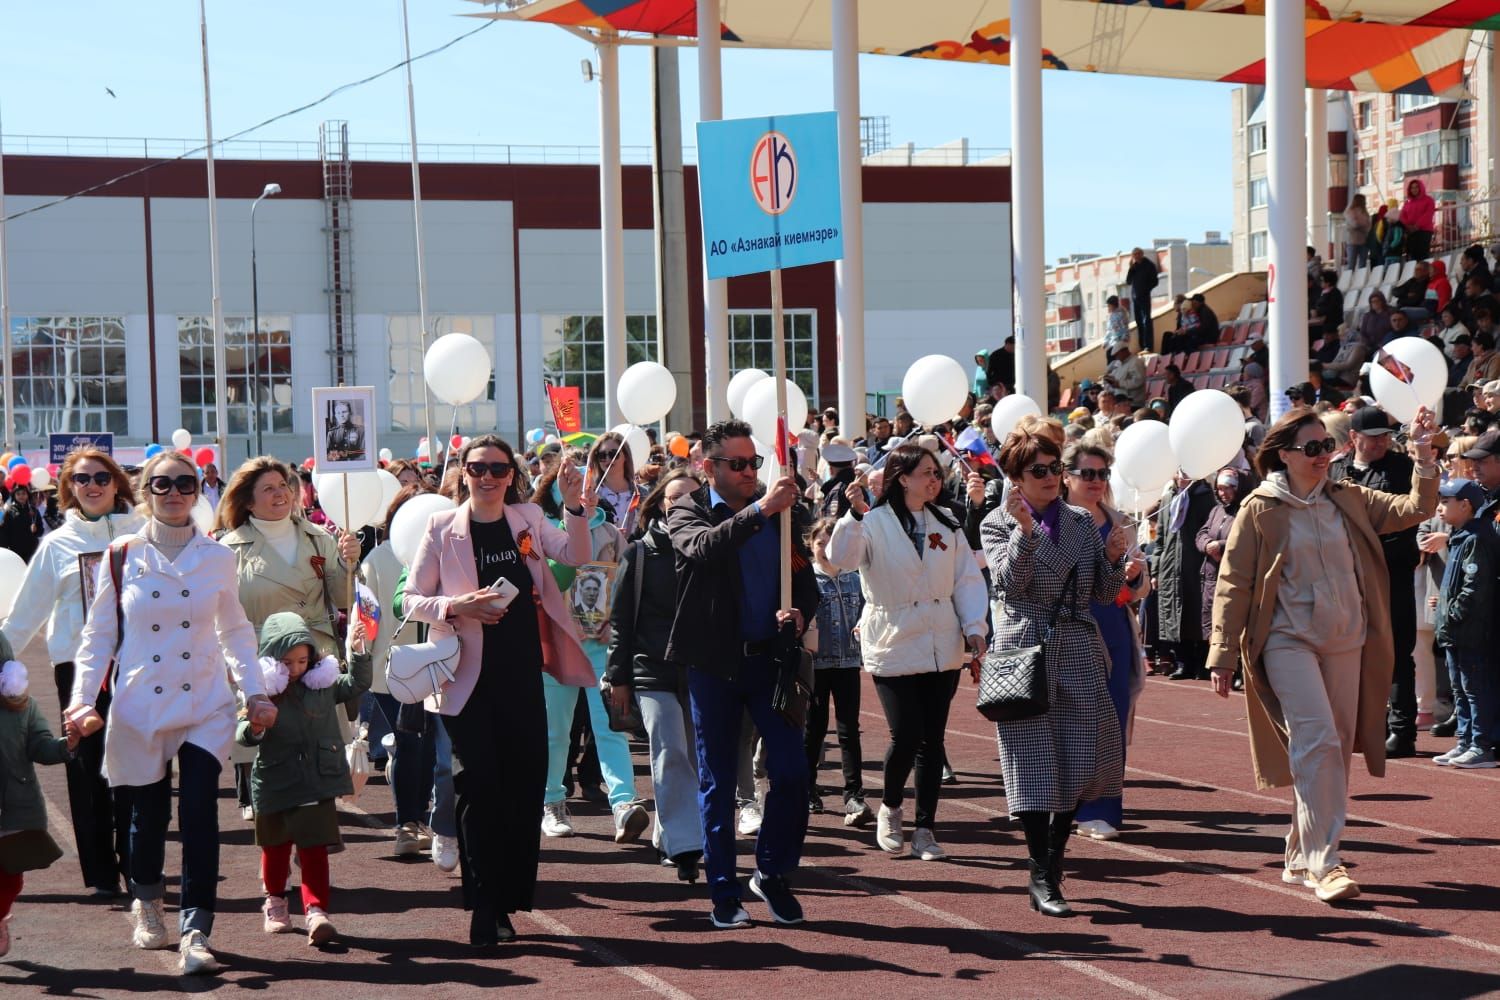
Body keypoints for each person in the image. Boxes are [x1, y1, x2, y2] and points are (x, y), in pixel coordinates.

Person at [1209, 405, 1439, 903]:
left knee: (1332, 745)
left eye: (1326, 446)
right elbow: (1234, 582)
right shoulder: (1260, 507)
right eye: (1312, 448)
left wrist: (1422, 454)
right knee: (1317, 742)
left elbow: (1415, 508)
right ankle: (1325, 863)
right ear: (1284, 454)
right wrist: (1222, 653)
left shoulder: (1347, 497)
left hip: (1347, 640)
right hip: (1287, 641)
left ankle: (1298, 851)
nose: (1323, 456)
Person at [67, 449, 273, 974]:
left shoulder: (217, 556)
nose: (175, 491)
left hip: (205, 700)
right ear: (145, 492)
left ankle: (197, 927)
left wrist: (254, 691)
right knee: (147, 815)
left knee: (201, 809)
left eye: (185, 482)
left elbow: (235, 630)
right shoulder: (119, 554)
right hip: (140, 702)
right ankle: (149, 899)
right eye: (163, 484)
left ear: (198, 490)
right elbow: (98, 636)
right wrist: (81, 701)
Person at [403, 435, 597, 946]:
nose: (486, 477)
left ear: (511, 475)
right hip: (464, 683)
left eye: (497, 468)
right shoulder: (442, 526)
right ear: (463, 473)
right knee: (478, 788)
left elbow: (576, 555)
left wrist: (575, 508)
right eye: (477, 468)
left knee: (521, 790)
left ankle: (508, 896)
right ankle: (484, 906)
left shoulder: (529, 520)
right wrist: (456, 606)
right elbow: (410, 598)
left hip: (521, 675)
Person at [664, 419, 819, 930]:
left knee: (794, 772)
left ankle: (771, 872)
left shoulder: (780, 516)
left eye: (754, 462)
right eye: (739, 463)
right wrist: (761, 511)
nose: (751, 471)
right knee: (719, 781)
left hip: (770, 663)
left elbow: (804, 580)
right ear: (708, 468)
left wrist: (798, 613)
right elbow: (703, 548)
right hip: (714, 666)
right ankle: (723, 891)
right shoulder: (687, 510)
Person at [980, 432, 1130, 916]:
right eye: (1038, 471)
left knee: (1081, 760)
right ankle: (1041, 871)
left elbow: (1102, 593)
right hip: (1024, 651)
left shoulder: (1082, 521)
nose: (1049, 478)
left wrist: (1114, 559)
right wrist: (1025, 533)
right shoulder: (996, 522)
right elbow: (1007, 583)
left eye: (1053, 468)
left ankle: (1054, 859)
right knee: (1032, 767)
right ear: (1016, 479)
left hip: (1079, 649)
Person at [827, 445, 987, 862]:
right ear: (902, 478)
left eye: (937, 473)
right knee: (906, 733)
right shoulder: (872, 522)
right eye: (926, 473)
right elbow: (839, 559)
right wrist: (854, 515)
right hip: (894, 637)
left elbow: (967, 579)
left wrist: (974, 628)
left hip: (940, 639)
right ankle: (891, 806)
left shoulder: (947, 521)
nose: (935, 480)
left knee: (932, 739)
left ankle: (926, 829)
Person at [0, 449, 142, 898]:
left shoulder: (142, 534)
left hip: (139, 667)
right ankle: (101, 871)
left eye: (102, 476)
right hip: (77, 672)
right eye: (82, 479)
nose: (93, 485)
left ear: (117, 482)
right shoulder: (56, 546)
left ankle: (139, 863)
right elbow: (24, 616)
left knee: (140, 768)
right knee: (86, 770)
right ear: (68, 489)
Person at [214, 458, 360, 822]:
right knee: (268, 750)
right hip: (260, 659)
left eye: (284, 485)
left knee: (315, 748)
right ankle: (274, 837)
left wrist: (348, 564)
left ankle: (313, 834)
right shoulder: (227, 549)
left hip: (313, 659)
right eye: (269, 488)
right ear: (248, 501)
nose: (280, 494)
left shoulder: (318, 537)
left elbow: (343, 599)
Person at [237, 613, 371, 946]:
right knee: (275, 849)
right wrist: (254, 727)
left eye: (302, 659)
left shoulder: (323, 685)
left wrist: (358, 652)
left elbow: (356, 684)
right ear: (270, 660)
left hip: (315, 779)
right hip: (275, 781)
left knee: (314, 850)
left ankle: (317, 911)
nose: (296, 667)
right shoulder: (261, 691)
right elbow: (242, 733)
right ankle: (276, 902)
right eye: (287, 661)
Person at [532, 458, 647, 843]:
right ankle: (552, 801)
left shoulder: (614, 535)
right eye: (572, 485)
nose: (585, 491)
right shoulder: (541, 533)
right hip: (557, 645)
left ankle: (624, 804)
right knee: (554, 731)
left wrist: (615, 622)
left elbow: (627, 585)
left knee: (611, 724)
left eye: (588, 484)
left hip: (602, 646)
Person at [607, 469, 706, 883]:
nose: (683, 504)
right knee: (669, 751)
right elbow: (620, 620)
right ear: (660, 503)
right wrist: (618, 676)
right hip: (651, 671)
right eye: (674, 497)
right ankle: (686, 848)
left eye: (693, 499)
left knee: (695, 760)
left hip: (701, 670)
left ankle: (671, 834)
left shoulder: (710, 550)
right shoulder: (640, 552)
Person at [361, 481, 458, 871]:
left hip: (445, 666)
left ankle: (433, 819)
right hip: (394, 669)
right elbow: (366, 615)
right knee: (408, 742)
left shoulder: (454, 552)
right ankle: (407, 822)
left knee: (437, 747)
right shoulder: (379, 559)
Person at [1062, 444, 1150, 842]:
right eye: (1088, 474)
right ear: (1067, 475)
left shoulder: (1122, 523)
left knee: (1113, 721)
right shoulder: (1055, 521)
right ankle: (1070, 803)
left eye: (1102, 474)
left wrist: (1131, 576)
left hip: (1114, 628)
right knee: (1074, 720)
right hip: (1073, 630)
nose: (1096, 482)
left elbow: (1139, 589)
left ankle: (1104, 807)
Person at [1333, 406, 1422, 758]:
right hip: (1347, 578)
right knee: (1355, 652)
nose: (1382, 443)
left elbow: (1410, 516)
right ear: (1354, 437)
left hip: (1391, 575)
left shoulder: (1402, 469)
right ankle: (1372, 724)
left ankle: (1402, 731)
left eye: (1385, 436)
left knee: (1399, 652)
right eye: (1373, 438)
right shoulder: (1336, 471)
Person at [0, 642, 80, 959]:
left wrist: (67, 744)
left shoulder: (23, 706)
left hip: (16, 809)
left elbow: (41, 747)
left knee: (11, 879)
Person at [801, 516, 872, 828]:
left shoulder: (855, 579)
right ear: (811, 546)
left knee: (848, 730)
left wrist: (863, 626)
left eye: (831, 544)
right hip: (816, 666)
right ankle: (807, 788)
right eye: (820, 544)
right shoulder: (806, 580)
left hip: (847, 663)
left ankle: (853, 793)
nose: (826, 550)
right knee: (813, 731)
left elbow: (867, 610)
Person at [1429, 479, 1498, 769]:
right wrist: (1444, 606)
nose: (1439, 508)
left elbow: (1474, 585)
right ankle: (1465, 741)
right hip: (1456, 631)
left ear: (1465, 505)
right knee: (1460, 688)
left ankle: (1481, 745)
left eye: (1445, 502)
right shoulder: (1460, 536)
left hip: (1470, 631)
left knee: (1474, 688)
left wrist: (1453, 611)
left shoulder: (1475, 538)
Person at [1155, 472, 1215, 680]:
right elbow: (1161, 536)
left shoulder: (1205, 497)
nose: (1182, 476)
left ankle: (1202, 663)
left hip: (1195, 565)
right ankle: (1183, 662)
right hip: (1171, 567)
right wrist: (1156, 569)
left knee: (1197, 614)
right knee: (1174, 616)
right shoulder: (1168, 498)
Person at [1196, 469, 1244, 690]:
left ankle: (1238, 670)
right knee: (1212, 622)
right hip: (1211, 577)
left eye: (1228, 488)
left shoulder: (1244, 511)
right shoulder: (1216, 511)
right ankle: (1216, 665)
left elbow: (1243, 538)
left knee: (1233, 622)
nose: (1223, 493)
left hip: (1232, 576)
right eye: (1220, 489)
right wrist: (1207, 545)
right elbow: (1202, 533)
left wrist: (1221, 546)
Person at [587, 429, 646, 539]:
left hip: (634, 554)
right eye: (602, 455)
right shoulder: (590, 493)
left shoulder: (642, 493)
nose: (608, 459)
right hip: (600, 553)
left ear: (625, 456)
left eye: (613, 454)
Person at [1127, 248, 1159, 352]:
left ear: (1141, 254)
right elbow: (1128, 281)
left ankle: (1148, 346)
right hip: (1135, 298)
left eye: (1137, 254)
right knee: (1139, 321)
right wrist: (1130, 268)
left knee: (1146, 321)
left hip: (1144, 297)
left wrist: (1146, 289)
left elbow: (1155, 281)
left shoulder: (1149, 265)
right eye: (1134, 254)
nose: (1136, 256)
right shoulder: (1134, 266)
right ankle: (1142, 345)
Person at [1, 484, 43, 563]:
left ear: (28, 494)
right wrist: (5, 549)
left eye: (23, 493)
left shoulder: (33, 510)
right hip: (16, 551)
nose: (21, 496)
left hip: (32, 549)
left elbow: (40, 531)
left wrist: (36, 530)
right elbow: (5, 532)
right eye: (18, 494)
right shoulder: (10, 510)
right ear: (14, 495)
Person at [1400, 178, 1437, 260]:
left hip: (1424, 231)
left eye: (1416, 187)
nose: (1414, 189)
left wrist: (1417, 226)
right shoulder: (1408, 203)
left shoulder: (1429, 200)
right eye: (1412, 187)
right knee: (1411, 255)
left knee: (1422, 255)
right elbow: (1402, 216)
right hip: (1411, 232)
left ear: (1420, 187)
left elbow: (1428, 214)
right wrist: (1408, 226)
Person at [1104, 344, 1147, 408]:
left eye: (1117, 355)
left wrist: (1120, 384)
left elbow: (1138, 381)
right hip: (1120, 401)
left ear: (1124, 351)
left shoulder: (1136, 362)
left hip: (1134, 403)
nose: (1116, 358)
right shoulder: (1120, 364)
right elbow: (1114, 377)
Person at [1344, 193, 1372, 269]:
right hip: (1353, 241)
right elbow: (1354, 224)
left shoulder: (1364, 212)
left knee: (1363, 264)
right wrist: (1363, 224)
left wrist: (1359, 223)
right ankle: (1350, 280)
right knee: (1351, 264)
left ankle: (1360, 279)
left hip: (1363, 241)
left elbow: (1368, 225)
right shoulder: (1350, 211)